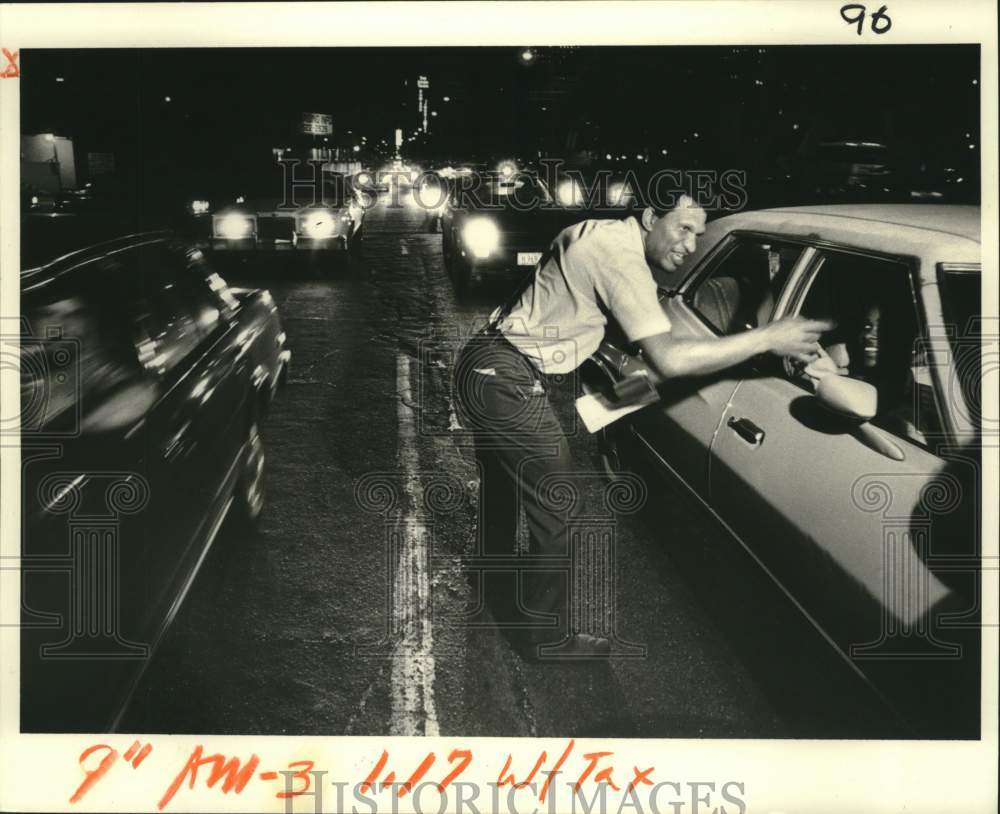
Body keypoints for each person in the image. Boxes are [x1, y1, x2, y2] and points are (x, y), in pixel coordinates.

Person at [454, 195, 832, 659]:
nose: (691, 246)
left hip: (488, 364)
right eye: (684, 228)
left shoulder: (599, 231)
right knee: (559, 502)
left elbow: (624, 343)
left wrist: (630, 391)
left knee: (505, 482)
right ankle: (543, 639)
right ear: (651, 217)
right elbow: (669, 359)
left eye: (699, 233)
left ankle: (489, 575)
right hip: (507, 376)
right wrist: (767, 338)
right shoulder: (620, 256)